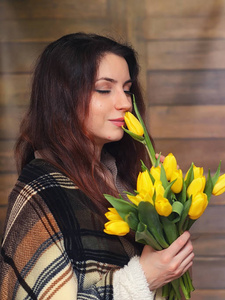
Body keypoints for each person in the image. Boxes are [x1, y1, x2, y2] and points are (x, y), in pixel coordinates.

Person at [0, 32, 194, 299]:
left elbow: (166, 277)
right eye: (104, 89)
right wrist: (142, 279)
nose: (125, 103)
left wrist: (167, 213)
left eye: (127, 90)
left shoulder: (129, 181)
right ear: (62, 97)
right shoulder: (41, 191)